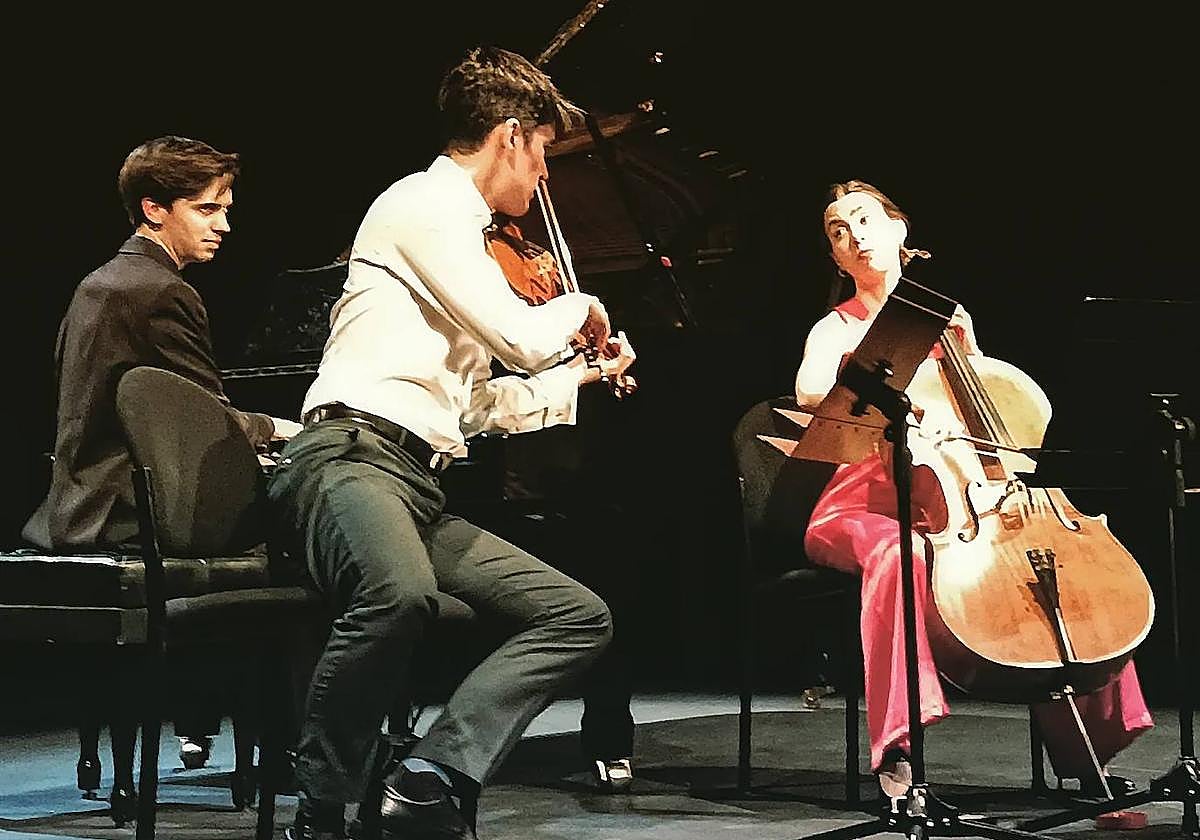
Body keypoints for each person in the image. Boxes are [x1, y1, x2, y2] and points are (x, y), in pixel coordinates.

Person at [267, 46, 635, 840]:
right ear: (510, 136)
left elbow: (474, 407)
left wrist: (583, 381)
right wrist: (584, 307)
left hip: (415, 480)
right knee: (395, 597)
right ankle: (321, 809)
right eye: (542, 153)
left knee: (576, 614)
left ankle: (431, 775)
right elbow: (519, 335)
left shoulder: (467, 239)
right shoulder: (420, 207)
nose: (544, 177)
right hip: (347, 457)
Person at [794, 180, 1153, 802]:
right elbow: (807, 393)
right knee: (899, 554)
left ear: (901, 231)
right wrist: (895, 403)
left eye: (864, 219)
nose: (854, 235)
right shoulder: (837, 326)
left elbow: (985, 407)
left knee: (1059, 566)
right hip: (861, 502)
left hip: (961, 496)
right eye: (837, 231)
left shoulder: (949, 321)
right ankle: (898, 746)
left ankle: (1085, 749)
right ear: (835, 257)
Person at [22, 135, 302, 802]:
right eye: (208, 209)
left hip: (77, 502)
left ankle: (211, 721)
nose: (224, 224)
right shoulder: (160, 291)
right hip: (128, 510)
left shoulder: (101, 283)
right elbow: (207, 418)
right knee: (304, 547)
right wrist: (282, 430)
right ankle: (292, 744)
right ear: (154, 209)